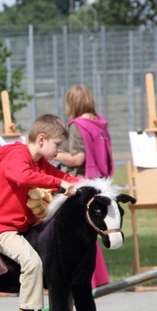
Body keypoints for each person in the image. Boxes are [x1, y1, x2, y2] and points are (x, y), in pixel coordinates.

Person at [0, 114, 80, 311]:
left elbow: (62, 176)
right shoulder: (16, 155)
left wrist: (89, 186)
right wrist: (60, 185)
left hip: (25, 227)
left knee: (65, 259)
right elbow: (23, 177)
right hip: (1, 229)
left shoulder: (41, 163)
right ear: (42, 139)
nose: (58, 152)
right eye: (57, 145)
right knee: (32, 262)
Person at [55, 85, 114, 287]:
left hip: (80, 183)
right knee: (91, 233)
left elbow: (78, 158)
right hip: (98, 182)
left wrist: (55, 154)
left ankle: (84, 279)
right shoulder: (99, 124)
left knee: (75, 234)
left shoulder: (77, 125)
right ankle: (100, 278)